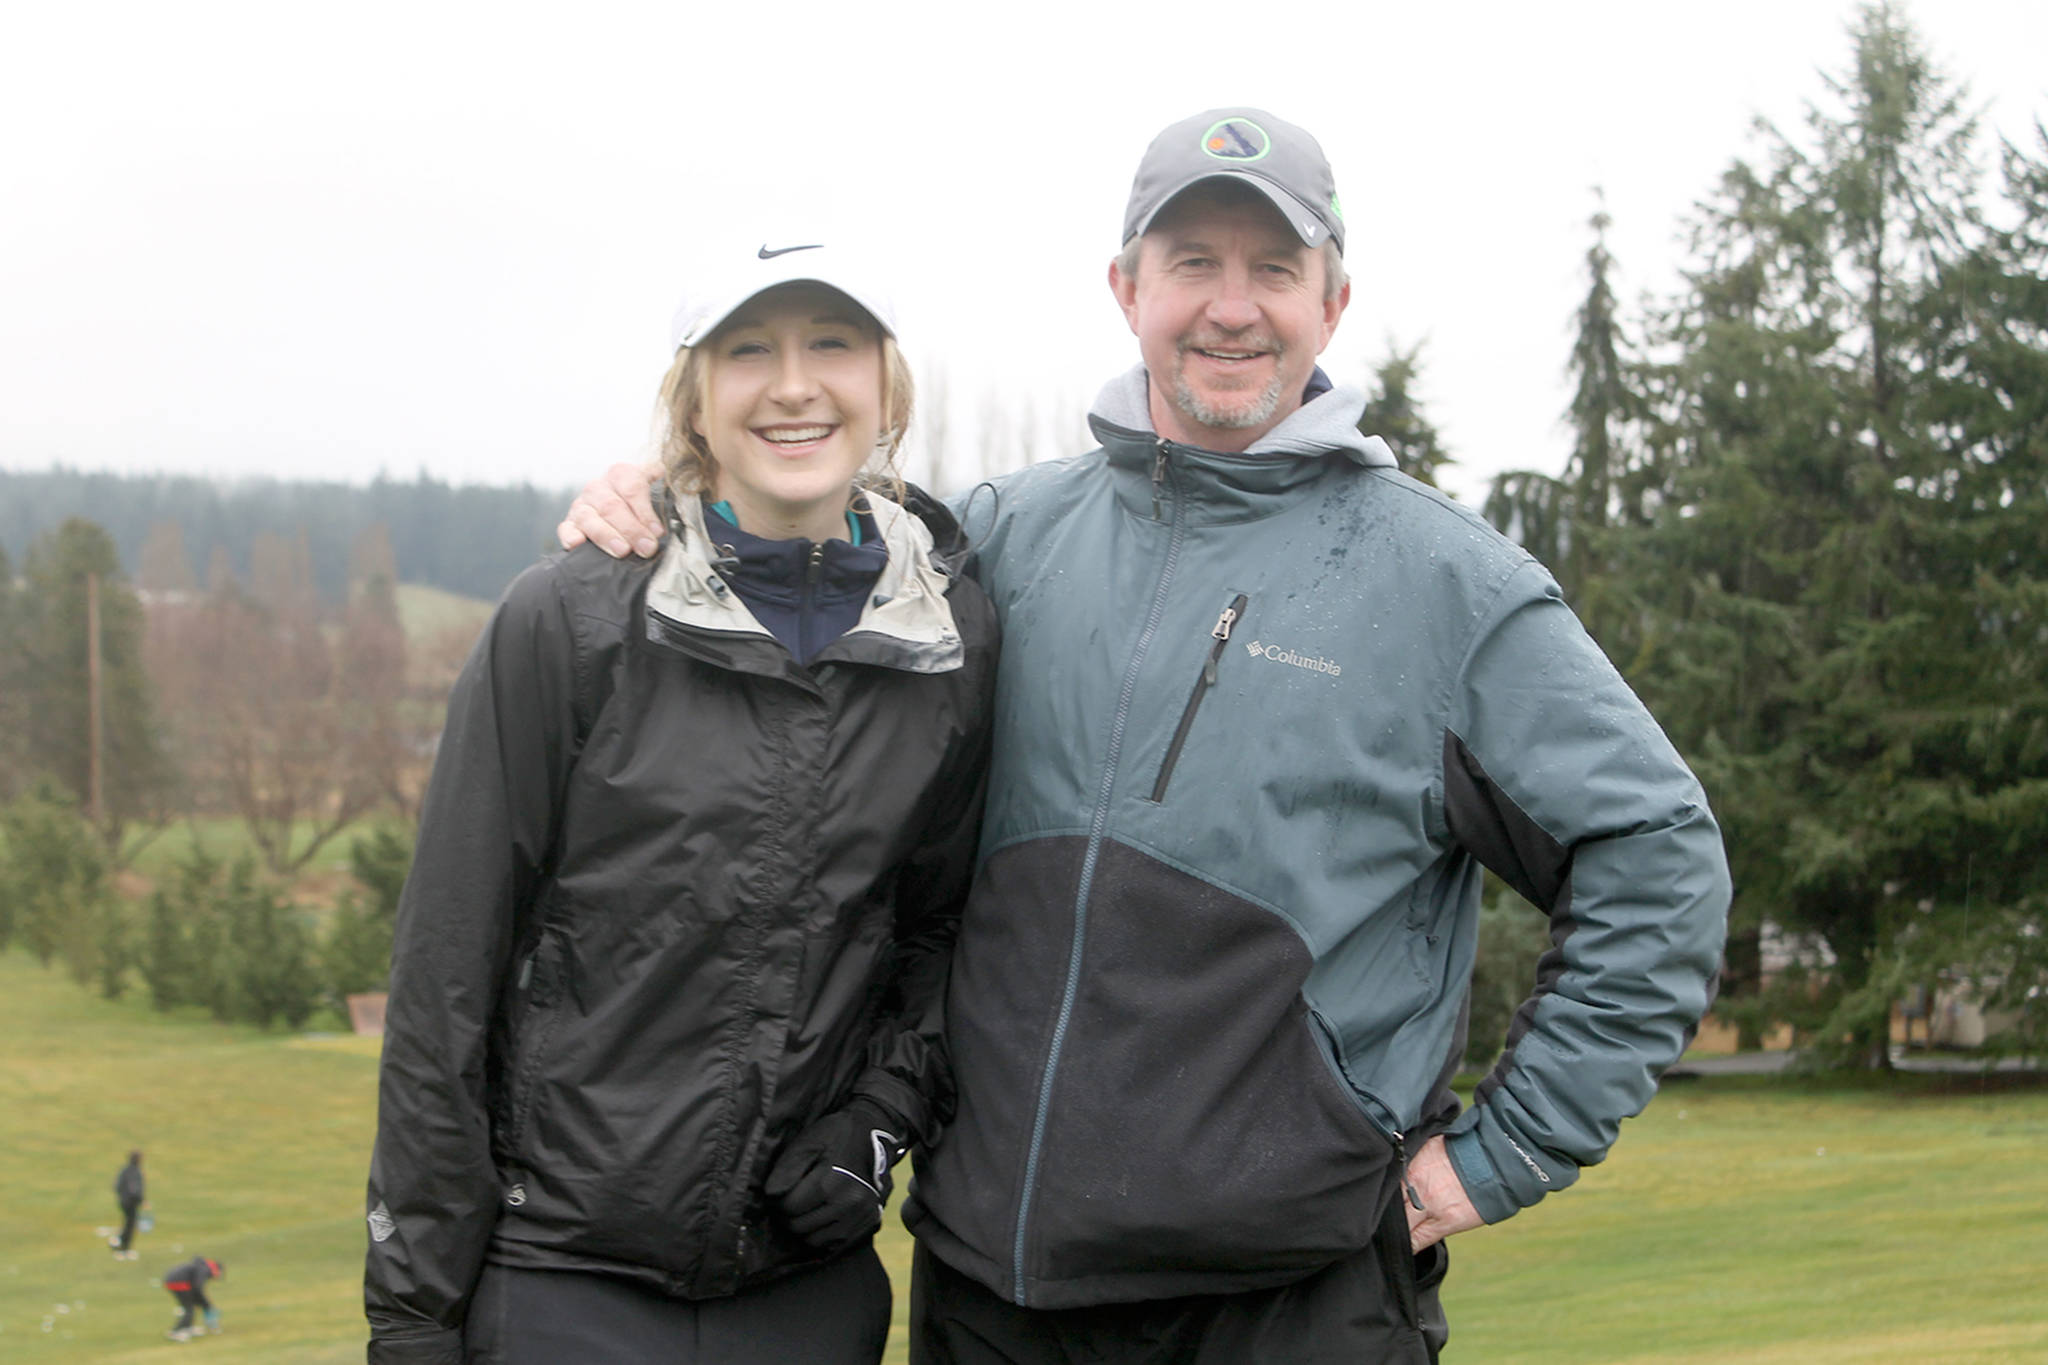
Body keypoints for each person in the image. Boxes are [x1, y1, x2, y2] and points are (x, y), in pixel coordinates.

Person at [561, 108, 1732, 1364]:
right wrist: (659, 501)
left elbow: (1656, 859)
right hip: (989, 1293)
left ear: (1331, 305)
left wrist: (1496, 1160)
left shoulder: (1448, 589)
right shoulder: (997, 541)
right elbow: (783, 547)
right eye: (1191, 265)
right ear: (1126, 291)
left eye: (1273, 269)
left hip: (1287, 1309)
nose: (1231, 308)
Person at [364, 243, 997, 1365]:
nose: (793, 383)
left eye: (832, 345)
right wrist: (414, 1318)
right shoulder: (569, 623)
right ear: (693, 400)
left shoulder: (951, 640)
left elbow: (941, 936)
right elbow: (443, 985)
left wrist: (873, 1127)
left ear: (886, 387)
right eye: (747, 349)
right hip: (561, 1284)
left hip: (806, 1293)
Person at [162, 1255, 222, 1341]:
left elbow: (195, 1288)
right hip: (179, 1283)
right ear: (216, 1269)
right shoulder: (205, 1269)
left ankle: (188, 1327)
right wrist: (205, 1303)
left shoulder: (202, 1267)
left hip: (174, 1281)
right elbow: (197, 1287)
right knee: (189, 1309)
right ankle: (176, 1332)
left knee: (190, 1306)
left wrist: (203, 1302)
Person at [109, 1149, 145, 1259]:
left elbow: (117, 1186)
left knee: (127, 1224)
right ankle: (124, 1248)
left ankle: (119, 1243)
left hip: (124, 1202)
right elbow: (135, 1190)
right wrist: (140, 1200)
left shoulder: (124, 1170)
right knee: (130, 1225)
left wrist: (122, 1198)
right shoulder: (135, 1172)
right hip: (131, 1203)